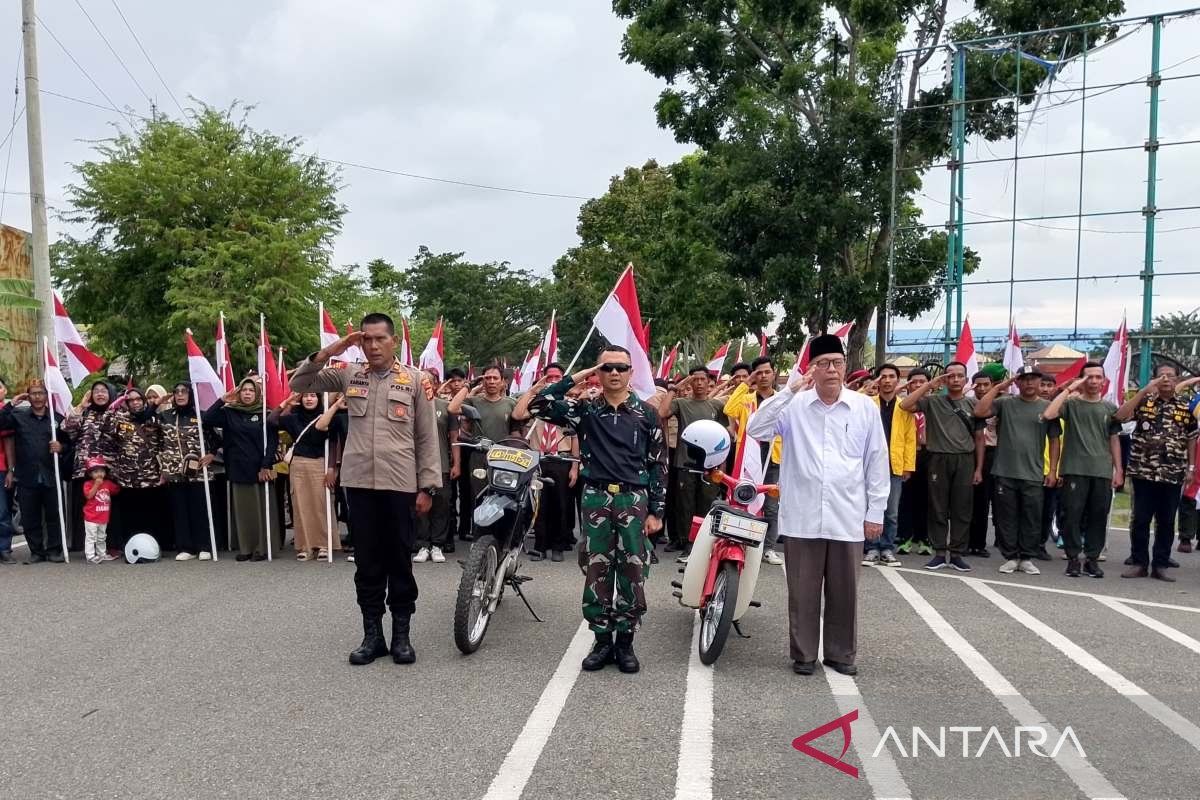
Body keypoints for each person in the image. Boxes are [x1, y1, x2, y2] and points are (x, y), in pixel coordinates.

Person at [291, 313, 441, 667]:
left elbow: (426, 437)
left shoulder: (416, 381)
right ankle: (372, 635)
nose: (372, 346)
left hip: (400, 485)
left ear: (394, 342)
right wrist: (336, 348)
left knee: (400, 561)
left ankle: (401, 635)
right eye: (366, 339)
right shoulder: (348, 374)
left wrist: (428, 486)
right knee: (368, 564)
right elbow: (300, 383)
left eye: (379, 339)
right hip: (359, 484)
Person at [747, 335, 889, 677]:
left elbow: (877, 461)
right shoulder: (794, 405)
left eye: (836, 363)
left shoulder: (863, 408)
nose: (830, 370)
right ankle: (804, 654)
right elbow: (757, 428)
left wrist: (875, 512)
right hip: (802, 515)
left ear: (845, 367)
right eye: (822, 364)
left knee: (845, 592)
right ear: (811, 368)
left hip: (847, 514)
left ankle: (841, 654)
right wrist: (788, 391)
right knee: (803, 591)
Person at [529, 345, 666, 674]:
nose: (614, 373)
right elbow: (538, 404)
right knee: (597, 570)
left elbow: (658, 464)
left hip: (633, 500)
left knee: (633, 571)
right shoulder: (586, 410)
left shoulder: (647, 414)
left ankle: (625, 642)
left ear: (631, 372)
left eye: (621, 367)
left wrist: (656, 511)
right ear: (598, 373)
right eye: (607, 368)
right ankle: (602, 639)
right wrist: (577, 376)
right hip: (596, 499)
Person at [974, 367, 1062, 575]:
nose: (1029, 383)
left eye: (1033, 379)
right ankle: (1011, 557)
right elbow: (979, 411)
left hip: (1033, 472)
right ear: (1018, 382)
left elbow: (1055, 440)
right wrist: (998, 388)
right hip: (1005, 471)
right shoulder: (1005, 403)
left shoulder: (1048, 408)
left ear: (1040, 381)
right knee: (1007, 517)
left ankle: (1027, 557)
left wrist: (1053, 471)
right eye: (1024, 379)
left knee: (1031, 517)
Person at [1115, 365, 1198, 581]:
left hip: (1173, 472)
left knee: (1167, 520)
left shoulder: (1186, 406)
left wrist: (1190, 467)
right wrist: (1143, 391)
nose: (1166, 379)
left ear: (1177, 379)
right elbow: (1120, 416)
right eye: (1161, 376)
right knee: (1141, 519)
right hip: (1144, 471)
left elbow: (1191, 437)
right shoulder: (1144, 402)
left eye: (1170, 376)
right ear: (1154, 380)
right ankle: (1139, 562)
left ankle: (1160, 564)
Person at [1044, 363, 1123, 578]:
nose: (1094, 381)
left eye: (1098, 377)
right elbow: (1049, 413)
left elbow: (1114, 440)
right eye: (1089, 377)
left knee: (1098, 515)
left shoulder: (1109, 408)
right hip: (1074, 469)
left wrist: (1119, 470)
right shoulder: (1071, 405)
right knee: (1072, 515)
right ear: (1082, 379)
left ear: (1104, 381)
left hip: (1101, 470)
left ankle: (1092, 559)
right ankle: (1072, 559)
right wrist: (1070, 389)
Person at [901, 362, 976, 571]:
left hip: (964, 459)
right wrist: (929, 385)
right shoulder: (933, 401)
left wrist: (978, 468)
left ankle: (958, 553)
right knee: (938, 507)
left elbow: (979, 437)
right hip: (938, 459)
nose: (955, 380)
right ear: (944, 379)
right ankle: (940, 552)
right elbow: (905, 405)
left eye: (960, 376)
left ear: (966, 379)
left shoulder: (973, 405)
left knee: (962, 508)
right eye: (950, 376)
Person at [202, 378, 279, 562]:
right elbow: (207, 419)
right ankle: (246, 547)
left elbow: (272, 441)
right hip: (237, 467)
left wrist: (266, 464)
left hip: (259, 468)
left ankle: (262, 547)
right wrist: (222, 400)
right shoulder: (230, 413)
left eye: (251, 390)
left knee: (261, 510)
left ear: (257, 393)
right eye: (243, 390)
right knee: (244, 510)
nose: (247, 393)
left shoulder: (265, 413)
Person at [513, 363, 579, 562]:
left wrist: (575, 466)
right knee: (539, 505)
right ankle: (540, 546)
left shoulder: (568, 404)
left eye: (557, 377)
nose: (553, 380)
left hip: (561, 457)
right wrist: (534, 389)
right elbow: (517, 415)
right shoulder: (536, 403)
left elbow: (575, 437)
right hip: (538, 458)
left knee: (561, 504)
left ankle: (558, 545)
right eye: (549, 377)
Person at [0, 382, 72, 563]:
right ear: (28, 396)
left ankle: (54, 550)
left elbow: (70, 443)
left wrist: (60, 447)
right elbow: (1, 423)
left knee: (54, 515)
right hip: (27, 474)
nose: (37, 397)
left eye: (41, 393)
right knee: (30, 516)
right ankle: (36, 551)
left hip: (51, 474)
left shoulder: (56, 418)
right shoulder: (18, 416)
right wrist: (12, 403)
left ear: (47, 396)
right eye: (33, 394)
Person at [724, 356, 784, 566]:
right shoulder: (747, 399)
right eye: (759, 373)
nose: (764, 376)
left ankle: (768, 548)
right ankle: (742, 542)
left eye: (767, 372)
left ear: (774, 373)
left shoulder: (782, 399)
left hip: (774, 457)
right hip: (748, 457)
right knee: (743, 501)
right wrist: (745, 383)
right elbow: (729, 410)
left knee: (771, 506)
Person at [662, 366, 727, 558]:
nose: (698, 383)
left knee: (706, 505)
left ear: (708, 382)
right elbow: (662, 411)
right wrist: (674, 389)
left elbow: (724, 436)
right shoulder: (681, 403)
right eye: (695, 380)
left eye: (702, 380)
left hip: (711, 465)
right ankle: (687, 542)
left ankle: (703, 542)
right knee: (685, 506)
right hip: (685, 463)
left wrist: (721, 465)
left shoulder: (716, 406)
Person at [270, 391, 340, 561]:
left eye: (313, 396)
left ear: (319, 398)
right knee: (300, 506)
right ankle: (305, 545)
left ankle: (324, 544)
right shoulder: (293, 418)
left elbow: (332, 443)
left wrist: (331, 468)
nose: (309, 399)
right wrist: (286, 403)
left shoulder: (327, 416)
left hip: (320, 464)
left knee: (321, 505)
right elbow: (271, 421)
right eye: (306, 396)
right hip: (298, 465)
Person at [97, 386, 168, 550]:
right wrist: (115, 404)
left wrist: (164, 471)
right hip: (127, 478)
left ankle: (154, 547)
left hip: (151, 476)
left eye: (138, 399)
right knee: (130, 515)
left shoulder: (155, 419)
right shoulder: (120, 420)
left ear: (143, 401)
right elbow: (104, 427)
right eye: (131, 400)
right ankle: (131, 547)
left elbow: (164, 445)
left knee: (152, 514)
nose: (135, 403)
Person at [448, 364, 518, 530]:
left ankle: (502, 536)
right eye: (487, 378)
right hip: (479, 456)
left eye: (495, 378)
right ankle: (480, 535)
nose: (491, 381)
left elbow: (518, 427)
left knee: (503, 496)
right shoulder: (474, 401)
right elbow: (452, 408)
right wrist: (469, 385)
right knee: (479, 497)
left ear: (503, 382)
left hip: (504, 457)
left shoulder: (511, 403)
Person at [864, 363, 915, 567]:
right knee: (869, 507)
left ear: (898, 380)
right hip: (870, 465)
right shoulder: (867, 404)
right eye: (882, 377)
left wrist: (908, 466)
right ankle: (871, 548)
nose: (887, 380)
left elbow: (910, 438)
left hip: (894, 465)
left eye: (891, 376)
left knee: (891, 511)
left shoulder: (904, 406)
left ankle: (887, 548)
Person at [159, 383, 217, 561]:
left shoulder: (201, 416)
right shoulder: (166, 416)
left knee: (200, 509)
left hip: (198, 472)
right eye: (176, 392)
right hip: (175, 472)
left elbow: (217, 438)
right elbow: (155, 437)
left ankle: (204, 546)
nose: (180, 395)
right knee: (180, 510)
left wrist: (211, 454)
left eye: (184, 391)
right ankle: (186, 547)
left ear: (190, 394)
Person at [62, 380, 116, 552]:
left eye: (104, 391)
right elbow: (67, 428)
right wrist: (80, 407)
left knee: (105, 506)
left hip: (108, 469)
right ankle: (83, 545)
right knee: (86, 507)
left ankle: (108, 545)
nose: (100, 394)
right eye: (96, 391)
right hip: (84, 469)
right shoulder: (85, 413)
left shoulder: (116, 413)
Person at [412, 372, 461, 564]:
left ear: (436, 384)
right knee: (419, 506)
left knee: (441, 505)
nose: (426, 386)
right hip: (416, 465)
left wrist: (456, 463)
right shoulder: (411, 406)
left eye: (429, 382)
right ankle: (423, 544)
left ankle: (437, 544)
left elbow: (454, 438)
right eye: (422, 382)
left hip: (441, 464)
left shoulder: (446, 408)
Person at [897, 368, 933, 557]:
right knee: (905, 499)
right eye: (914, 382)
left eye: (923, 382)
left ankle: (924, 538)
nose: (918, 385)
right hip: (908, 455)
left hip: (929, 456)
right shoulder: (903, 405)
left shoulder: (935, 404)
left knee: (926, 499)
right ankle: (905, 538)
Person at [969, 371, 997, 557]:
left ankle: (979, 543)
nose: (982, 388)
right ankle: (963, 541)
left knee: (984, 501)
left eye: (986, 384)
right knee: (965, 502)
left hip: (992, 453)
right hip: (968, 454)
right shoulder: (967, 403)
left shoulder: (999, 405)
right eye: (978, 385)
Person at [81, 456, 119, 564]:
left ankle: (101, 554)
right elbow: (89, 496)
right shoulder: (87, 484)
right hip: (91, 517)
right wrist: (97, 484)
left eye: (102, 471)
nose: (99, 474)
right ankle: (90, 556)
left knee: (102, 537)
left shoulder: (107, 483)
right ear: (90, 474)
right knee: (91, 537)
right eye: (96, 471)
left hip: (103, 517)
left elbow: (116, 490)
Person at [0, 378, 14, 564]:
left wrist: (11, 470)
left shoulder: (7, 413)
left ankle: (3, 548)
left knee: (2, 511)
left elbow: (9, 443)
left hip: (1, 468)